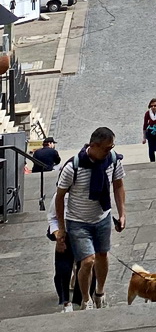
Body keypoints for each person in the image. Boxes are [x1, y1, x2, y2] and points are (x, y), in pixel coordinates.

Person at [54, 126, 126, 310]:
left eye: (112, 147)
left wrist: (122, 213)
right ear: (93, 145)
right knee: (87, 261)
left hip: (102, 216)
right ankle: (86, 299)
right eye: (106, 148)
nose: (110, 150)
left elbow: (118, 186)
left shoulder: (113, 161)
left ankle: (100, 293)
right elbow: (60, 196)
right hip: (78, 221)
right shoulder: (73, 167)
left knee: (102, 255)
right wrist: (61, 228)